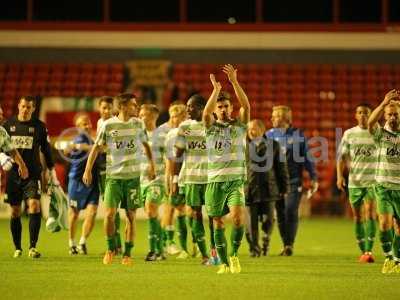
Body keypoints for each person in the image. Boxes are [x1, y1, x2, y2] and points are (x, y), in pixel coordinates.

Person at [83, 93, 156, 265]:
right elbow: (95, 148)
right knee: (109, 215)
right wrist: (87, 170)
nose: (136, 108)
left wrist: (152, 165)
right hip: (114, 178)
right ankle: (110, 249)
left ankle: (127, 254)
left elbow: (146, 145)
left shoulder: (138, 124)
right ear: (122, 106)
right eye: (133, 105)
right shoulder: (108, 125)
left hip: (132, 178)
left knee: (131, 217)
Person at [203, 64, 250, 274]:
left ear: (231, 108)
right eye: (219, 107)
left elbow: (247, 108)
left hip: (235, 181)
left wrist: (234, 82)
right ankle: (222, 262)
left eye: (226, 107)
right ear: (215, 110)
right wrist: (215, 90)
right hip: (215, 181)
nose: (223, 109)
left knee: (239, 218)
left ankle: (234, 255)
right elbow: (205, 113)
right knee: (217, 221)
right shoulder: (210, 128)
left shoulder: (239, 127)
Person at [3, 96, 57, 258]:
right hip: (13, 176)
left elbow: (46, 150)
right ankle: (17, 247)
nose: (25, 109)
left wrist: (51, 170)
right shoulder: (8, 126)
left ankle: (32, 247)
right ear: (18, 106)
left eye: (29, 107)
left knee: (34, 206)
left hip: (33, 174)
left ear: (33, 109)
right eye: (23, 106)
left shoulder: (39, 127)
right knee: (15, 211)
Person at [265, 105, 318, 256]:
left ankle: (289, 244)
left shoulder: (298, 135)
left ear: (285, 118)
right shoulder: (268, 136)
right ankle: (286, 245)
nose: (271, 118)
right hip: (275, 182)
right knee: (280, 213)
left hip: (294, 181)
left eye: (275, 116)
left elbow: (307, 158)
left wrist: (313, 177)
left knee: (290, 210)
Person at [173, 94, 218, 264]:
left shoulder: (215, 125)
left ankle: (215, 252)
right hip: (191, 178)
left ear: (201, 108)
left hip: (212, 178)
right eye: (187, 106)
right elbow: (178, 155)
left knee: (214, 216)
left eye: (191, 106)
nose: (188, 109)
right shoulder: (184, 127)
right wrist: (174, 179)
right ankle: (205, 254)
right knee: (195, 214)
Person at [337, 103, 377, 263]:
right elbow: (341, 156)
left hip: (373, 181)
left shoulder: (377, 132)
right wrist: (340, 176)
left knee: (370, 213)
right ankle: (363, 251)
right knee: (358, 216)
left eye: (366, 113)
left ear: (371, 114)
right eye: (359, 112)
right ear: (355, 115)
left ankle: (369, 250)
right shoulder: (349, 134)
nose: (362, 115)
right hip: (354, 181)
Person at [367, 89, 400, 273]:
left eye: (396, 114)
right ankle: (388, 256)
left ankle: (397, 260)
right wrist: (383, 102)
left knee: (399, 226)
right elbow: (371, 123)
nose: (393, 117)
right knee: (385, 224)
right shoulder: (381, 134)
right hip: (383, 185)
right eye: (389, 114)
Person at [245, 119, 289, 257]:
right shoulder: (242, 147)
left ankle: (266, 238)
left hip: (269, 189)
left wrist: (284, 187)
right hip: (249, 190)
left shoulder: (274, 146)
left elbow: (281, 168)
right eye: (249, 129)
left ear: (262, 130)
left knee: (268, 220)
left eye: (254, 128)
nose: (251, 132)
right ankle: (254, 249)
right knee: (250, 224)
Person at [65, 113, 99, 255]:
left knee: (92, 212)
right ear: (78, 127)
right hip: (76, 181)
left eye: (88, 123)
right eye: (84, 124)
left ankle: (82, 242)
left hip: (92, 180)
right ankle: (71, 243)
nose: (88, 126)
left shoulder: (92, 140)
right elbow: (70, 148)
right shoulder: (78, 140)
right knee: (74, 214)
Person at [139, 104, 168, 261]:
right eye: (141, 114)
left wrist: (168, 177)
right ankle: (161, 248)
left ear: (154, 116)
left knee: (151, 209)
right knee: (152, 214)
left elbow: (169, 159)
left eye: (145, 115)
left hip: (158, 179)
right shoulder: (136, 135)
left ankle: (153, 250)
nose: (142, 117)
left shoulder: (163, 136)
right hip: (141, 180)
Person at [96, 96, 123, 254]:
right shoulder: (101, 123)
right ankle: (115, 244)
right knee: (109, 207)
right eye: (103, 108)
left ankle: (116, 244)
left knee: (112, 208)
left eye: (109, 108)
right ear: (99, 108)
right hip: (101, 167)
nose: (106, 111)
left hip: (114, 168)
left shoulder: (114, 123)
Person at [163, 103, 188, 255]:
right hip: (174, 176)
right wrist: (169, 178)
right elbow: (170, 160)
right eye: (171, 117)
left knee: (183, 210)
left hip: (188, 175)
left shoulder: (190, 131)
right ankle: (169, 242)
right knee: (171, 208)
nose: (173, 120)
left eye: (175, 117)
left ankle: (183, 244)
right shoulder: (172, 135)